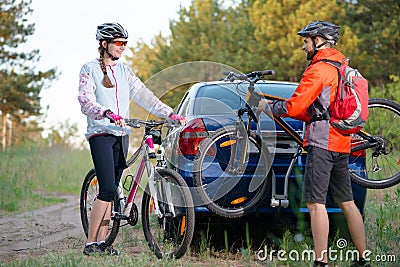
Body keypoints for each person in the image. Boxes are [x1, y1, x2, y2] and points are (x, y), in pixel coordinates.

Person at [258, 21, 370, 267]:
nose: (302, 46)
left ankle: (321, 262)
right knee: (347, 202)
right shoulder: (340, 66)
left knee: (315, 203)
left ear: (319, 40)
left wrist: (271, 108)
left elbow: (296, 105)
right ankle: (364, 259)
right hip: (342, 142)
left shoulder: (317, 70)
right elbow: (315, 110)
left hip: (322, 144)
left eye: (306, 40)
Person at [78, 22, 185, 256]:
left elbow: (145, 96)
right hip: (101, 134)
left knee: (114, 190)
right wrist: (106, 113)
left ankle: (103, 243)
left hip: (122, 135)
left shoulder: (125, 71)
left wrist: (170, 113)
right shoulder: (89, 69)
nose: (122, 47)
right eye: (118, 43)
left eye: (125, 43)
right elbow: (85, 101)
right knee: (106, 189)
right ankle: (90, 244)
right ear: (104, 44)